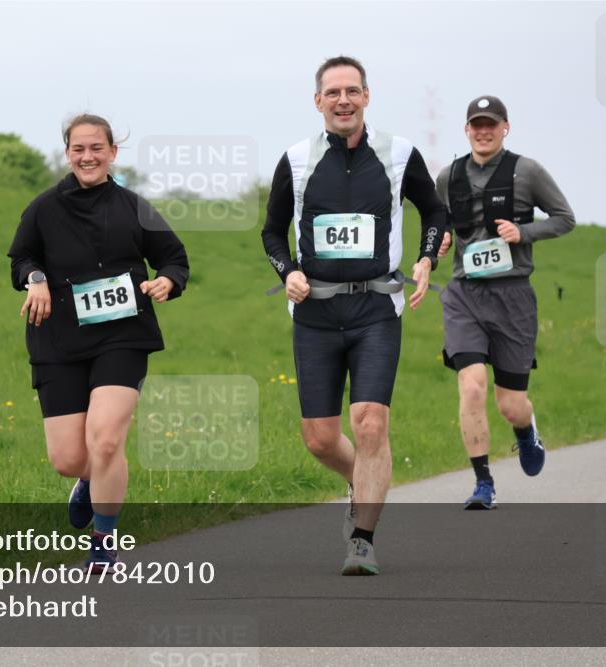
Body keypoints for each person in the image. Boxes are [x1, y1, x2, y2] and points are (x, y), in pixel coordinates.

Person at [261, 56, 446, 575]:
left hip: (375, 309)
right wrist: (288, 271)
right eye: (333, 92)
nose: (343, 100)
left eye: (352, 91)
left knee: (369, 422)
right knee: (320, 438)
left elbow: (435, 210)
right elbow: (272, 231)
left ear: (366, 96)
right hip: (315, 313)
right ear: (317, 101)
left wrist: (426, 258)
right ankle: (359, 480)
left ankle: (362, 539)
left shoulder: (398, 154)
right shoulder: (296, 159)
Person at [8, 114, 189, 570]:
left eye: (96, 148)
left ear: (112, 152)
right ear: (67, 154)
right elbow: (21, 259)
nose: (87, 157)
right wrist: (35, 279)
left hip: (122, 335)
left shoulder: (134, 207)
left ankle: (104, 541)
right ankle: (89, 480)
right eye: (78, 149)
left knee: (106, 441)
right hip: (58, 340)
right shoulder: (43, 208)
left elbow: (174, 258)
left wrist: (167, 281)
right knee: (69, 459)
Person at [435, 95, 575, 509]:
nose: (483, 131)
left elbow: (565, 218)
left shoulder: (527, 171)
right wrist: (441, 239)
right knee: (471, 385)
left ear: (505, 128)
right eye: (476, 125)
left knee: (511, 404)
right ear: (466, 130)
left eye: (491, 125)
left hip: (513, 296)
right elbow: (438, 220)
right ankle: (483, 483)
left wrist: (523, 233)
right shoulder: (448, 176)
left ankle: (526, 432)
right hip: (464, 294)